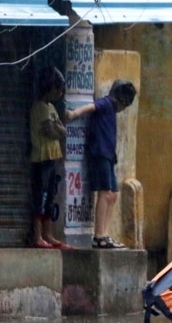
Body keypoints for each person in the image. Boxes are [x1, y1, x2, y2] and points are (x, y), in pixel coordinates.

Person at [66, 79, 137, 249]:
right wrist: (74, 114)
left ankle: (105, 233)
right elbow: (91, 106)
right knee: (105, 193)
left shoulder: (111, 108)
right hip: (100, 153)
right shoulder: (107, 103)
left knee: (113, 195)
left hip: (108, 156)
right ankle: (99, 236)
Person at [28, 67, 72, 250]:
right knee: (40, 196)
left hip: (53, 157)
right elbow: (52, 131)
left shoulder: (52, 108)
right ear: (49, 88)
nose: (60, 93)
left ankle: (48, 234)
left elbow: (62, 131)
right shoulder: (39, 107)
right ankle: (37, 235)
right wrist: (57, 128)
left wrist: (57, 128)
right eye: (58, 89)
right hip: (41, 158)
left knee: (50, 198)